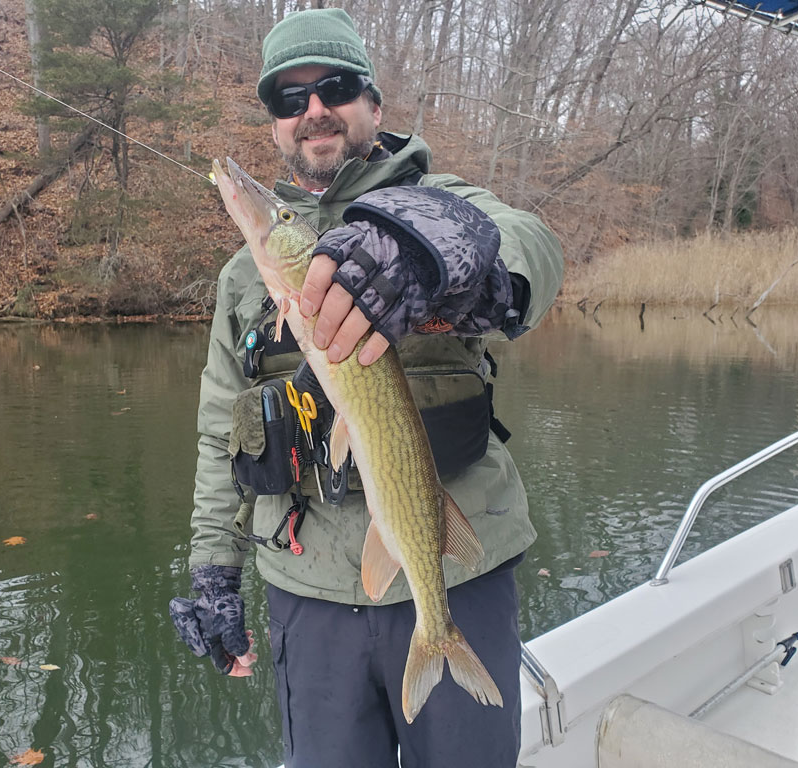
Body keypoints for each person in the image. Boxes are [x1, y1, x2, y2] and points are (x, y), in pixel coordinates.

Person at [169, 8, 564, 767]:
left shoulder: (449, 205)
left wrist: (432, 249)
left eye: (335, 87)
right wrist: (214, 568)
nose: (313, 109)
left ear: (373, 105)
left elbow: (535, 251)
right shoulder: (245, 276)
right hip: (308, 592)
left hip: (455, 570)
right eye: (289, 99)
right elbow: (221, 426)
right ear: (277, 125)